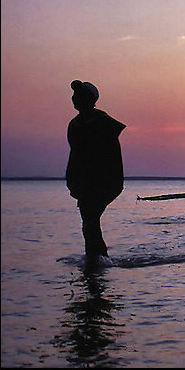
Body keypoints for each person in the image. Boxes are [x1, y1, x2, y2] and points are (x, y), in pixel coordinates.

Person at [66, 80, 126, 268]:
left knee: (90, 221)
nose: (75, 99)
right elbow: (75, 154)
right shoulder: (75, 124)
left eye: (79, 96)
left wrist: (112, 181)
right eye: (74, 96)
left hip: (104, 181)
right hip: (85, 183)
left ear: (88, 99)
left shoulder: (103, 122)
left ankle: (98, 263)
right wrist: (73, 181)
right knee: (89, 223)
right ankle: (97, 259)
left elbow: (111, 156)